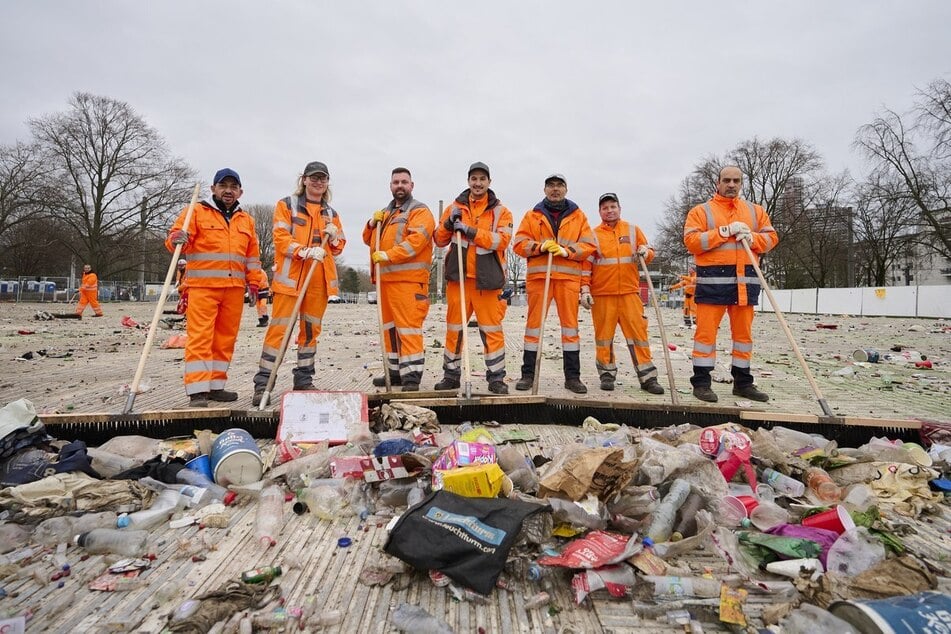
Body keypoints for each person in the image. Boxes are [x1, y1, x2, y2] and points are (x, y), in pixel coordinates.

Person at [165, 168, 264, 408]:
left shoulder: (246, 220)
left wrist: (254, 283)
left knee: (225, 339)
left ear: (240, 191)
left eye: (233, 187)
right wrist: (177, 238)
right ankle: (198, 391)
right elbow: (173, 241)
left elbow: (252, 257)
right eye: (223, 186)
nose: (228, 191)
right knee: (200, 338)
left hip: (233, 289)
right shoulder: (195, 212)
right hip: (203, 288)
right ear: (213, 189)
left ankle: (216, 386)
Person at [251, 161, 345, 405]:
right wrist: (303, 251)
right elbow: (281, 239)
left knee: (310, 333)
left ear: (327, 183)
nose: (317, 182)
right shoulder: (287, 205)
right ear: (304, 179)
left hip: (318, 282)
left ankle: (303, 380)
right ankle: (264, 384)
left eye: (322, 178)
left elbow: (339, 246)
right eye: (313, 178)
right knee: (279, 332)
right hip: (291, 280)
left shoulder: (332, 214)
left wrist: (334, 237)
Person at [683, 165, 779, 403]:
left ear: (742, 183)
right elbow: (692, 241)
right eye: (727, 180)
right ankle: (702, 383)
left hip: (744, 284)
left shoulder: (755, 212)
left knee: (743, 336)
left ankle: (743, 383)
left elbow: (772, 238)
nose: (731, 184)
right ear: (718, 182)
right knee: (705, 336)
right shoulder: (701, 211)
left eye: (736, 180)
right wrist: (723, 231)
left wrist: (753, 238)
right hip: (712, 284)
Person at [433, 162, 514, 395]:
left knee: (491, 330)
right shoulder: (454, 207)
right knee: (454, 329)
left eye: (482, 179)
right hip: (459, 280)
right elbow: (439, 240)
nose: (477, 183)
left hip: (487, 282)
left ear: (489, 182)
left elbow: (502, 241)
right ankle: (451, 376)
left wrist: (470, 231)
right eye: (474, 179)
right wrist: (449, 223)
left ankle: (496, 378)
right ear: (468, 181)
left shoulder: (501, 211)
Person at [512, 173, 597, 394]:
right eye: (551, 185)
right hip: (540, 280)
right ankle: (528, 375)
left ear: (566, 189)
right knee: (533, 329)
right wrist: (539, 247)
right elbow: (518, 244)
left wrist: (566, 251)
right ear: (545, 190)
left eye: (560, 185)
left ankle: (573, 377)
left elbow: (589, 245)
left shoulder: (578, 216)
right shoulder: (533, 216)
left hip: (568, 280)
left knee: (570, 329)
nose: (555, 189)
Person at [580, 193, 664, 394]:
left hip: (629, 293)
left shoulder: (633, 231)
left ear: (619, 208)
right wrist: (584, 289)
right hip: (602, 295)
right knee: (604, 337)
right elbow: (585, 267)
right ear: (600, 212)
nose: (609, 211)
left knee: (638, 335)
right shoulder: (592, 236)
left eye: (613, 206)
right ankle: (607, 374)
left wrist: (646, 251)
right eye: (605, 208)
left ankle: (648, 378)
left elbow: (649, 253)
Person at [362, 167, 435, 391]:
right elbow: (368, 240)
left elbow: (416, 241)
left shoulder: (419, 211)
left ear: (411, 186)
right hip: (386, 283)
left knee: (408, 329)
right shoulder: (387, 213)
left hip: (408, 282)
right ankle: (394, 373)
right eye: (396, 182)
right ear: (390, 186)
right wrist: (372, 224)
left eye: (404, 182)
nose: (400, 186)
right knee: (390, 331)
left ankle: (411, 377)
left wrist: (389, 255)